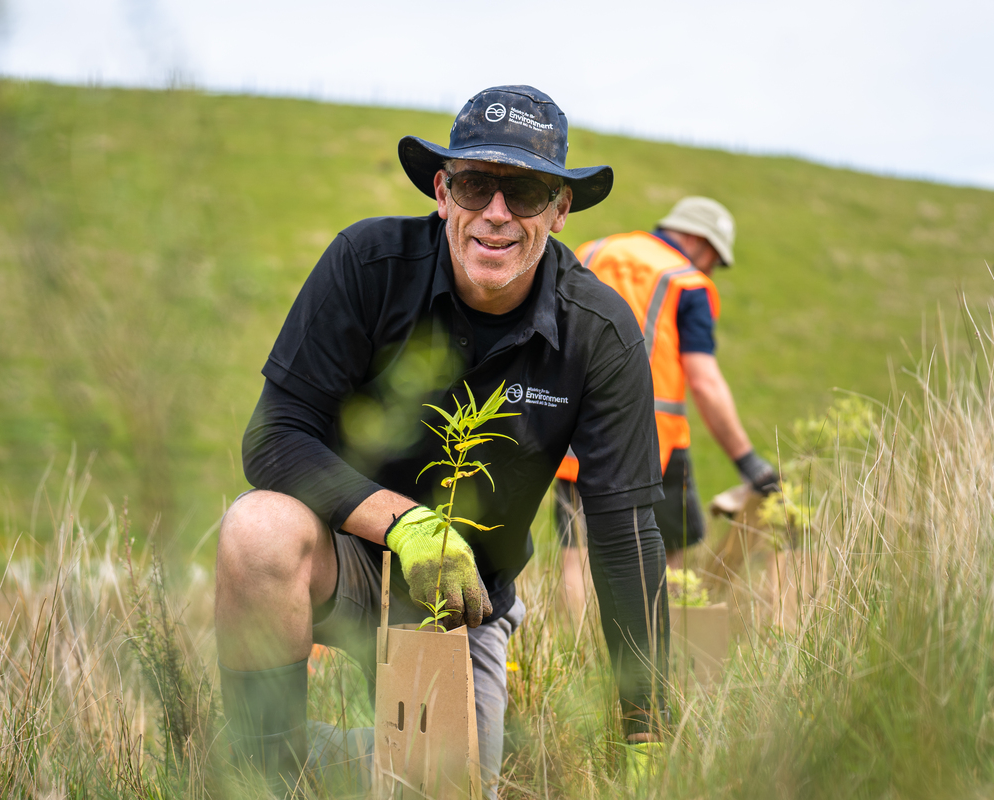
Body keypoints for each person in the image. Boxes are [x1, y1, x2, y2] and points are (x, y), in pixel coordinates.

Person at [214, 85, 668, 798]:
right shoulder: (367, 265)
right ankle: (262, 773)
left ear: (560, 208)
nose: (496, 213)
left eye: (525, 192)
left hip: (465, 605)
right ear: (441, 191)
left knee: (440, 788)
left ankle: (344, 759)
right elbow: (274, 437)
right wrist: (404, 524)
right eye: (476, 184)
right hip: (345, 559)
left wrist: (646, 726)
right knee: (256, 528)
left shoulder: (598, 332)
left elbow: (624, 534)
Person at [554, 197, 779, 603]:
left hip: (572, 430)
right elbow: (704, 380)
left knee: (578, 555)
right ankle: (660, 653)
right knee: (664, 554)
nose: (711, 269)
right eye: (714, 258)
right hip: (654, 440)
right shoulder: (687, 282)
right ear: (698, 240)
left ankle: (580, 657)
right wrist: (749, 463)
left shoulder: (589, 252)